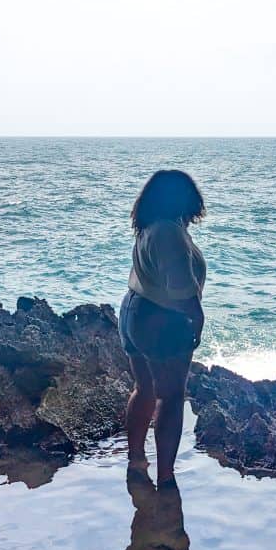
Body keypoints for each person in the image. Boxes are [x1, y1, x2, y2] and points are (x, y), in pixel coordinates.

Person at [118, 169, 206, 487]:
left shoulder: (149, 228)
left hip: (133, 311)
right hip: (161, 319)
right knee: (170, 398)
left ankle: (136, 460)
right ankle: (166, 476)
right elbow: (181, 288)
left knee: (144, 389)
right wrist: (197, 318)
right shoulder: (169, 232)